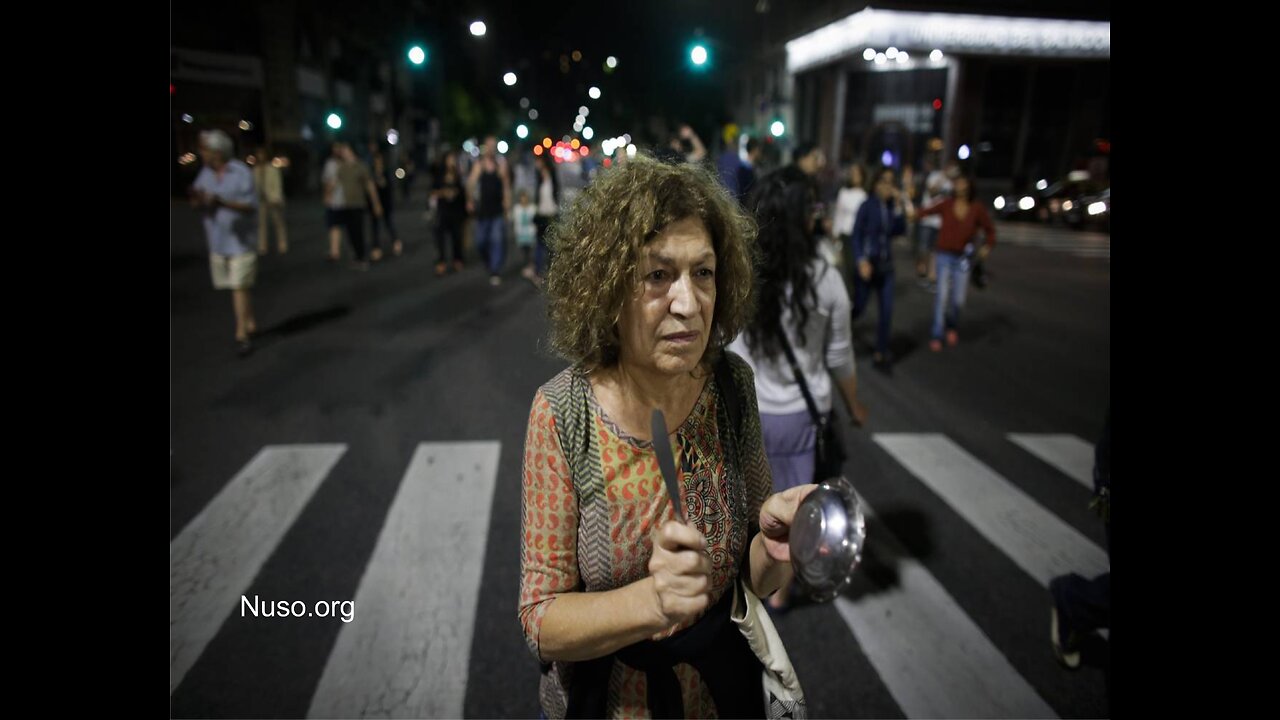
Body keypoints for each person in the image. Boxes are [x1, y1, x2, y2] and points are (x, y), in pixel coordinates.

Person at [519, 155, 815, 718]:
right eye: (658, 276)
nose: (688, 303)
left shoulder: (732, 385)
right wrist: (652, 602)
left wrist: (777, 546)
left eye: (703, 273)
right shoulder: (562, 412)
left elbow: (746, 577)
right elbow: (541, 620)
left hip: (721, 695)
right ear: (607, 289)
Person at [728, 167, 869, 611]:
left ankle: (745, 581)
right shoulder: (825, 279)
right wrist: (854, 405)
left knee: (746, 500)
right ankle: (779, 592)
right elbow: (839, 357)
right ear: (803, 216)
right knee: (791, 507)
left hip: (747, 409)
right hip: (802, 417)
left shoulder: (741, 274)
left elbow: (726, 343)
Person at [190, 129, 259, 355]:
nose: (202, 154)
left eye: (205, 150)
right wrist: (199, 200)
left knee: (238, 285)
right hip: (218, 241)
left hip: (241, 241)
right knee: (235, 286)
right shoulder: (205, 174)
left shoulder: (240, 172)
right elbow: (197, 200)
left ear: (217, 152)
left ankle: (242, 334)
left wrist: (221, 201)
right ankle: (248, 321)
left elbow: (250, 206)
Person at [913, 173, 996, 351]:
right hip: (944, 256)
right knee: (941, 296)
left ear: (969, 186)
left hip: (963, 259)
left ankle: (951, 325)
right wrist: (913, 214)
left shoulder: (977, 208)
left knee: (958, 300)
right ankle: (937, 333)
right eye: (957, 182)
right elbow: (926, 212)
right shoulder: (947, 204)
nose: (958, 185)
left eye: (962, 182)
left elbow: (990, 231)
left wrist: (986, 247)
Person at [850, 167, 908, 370]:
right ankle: (842, 327)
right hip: (868, 264)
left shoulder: (891, 207)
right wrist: (860, 260)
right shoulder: (867, 206)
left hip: (886, 266)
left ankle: (880, 352)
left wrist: (900, 205)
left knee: (887, 310)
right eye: (883, 181)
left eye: (891, 182)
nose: (887, 185)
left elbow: (900, 230)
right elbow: (856, 234)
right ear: (875, 184)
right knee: (859, 306)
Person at [253, 146, 287, 255]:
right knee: (261, 223)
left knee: (278, 222)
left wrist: (276, 197)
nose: (260, 156)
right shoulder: (255, 170)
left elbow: (277, 184)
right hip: (261, 199)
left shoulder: (272, 169)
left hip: (272, 198)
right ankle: (262, 245)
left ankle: (282, 244)